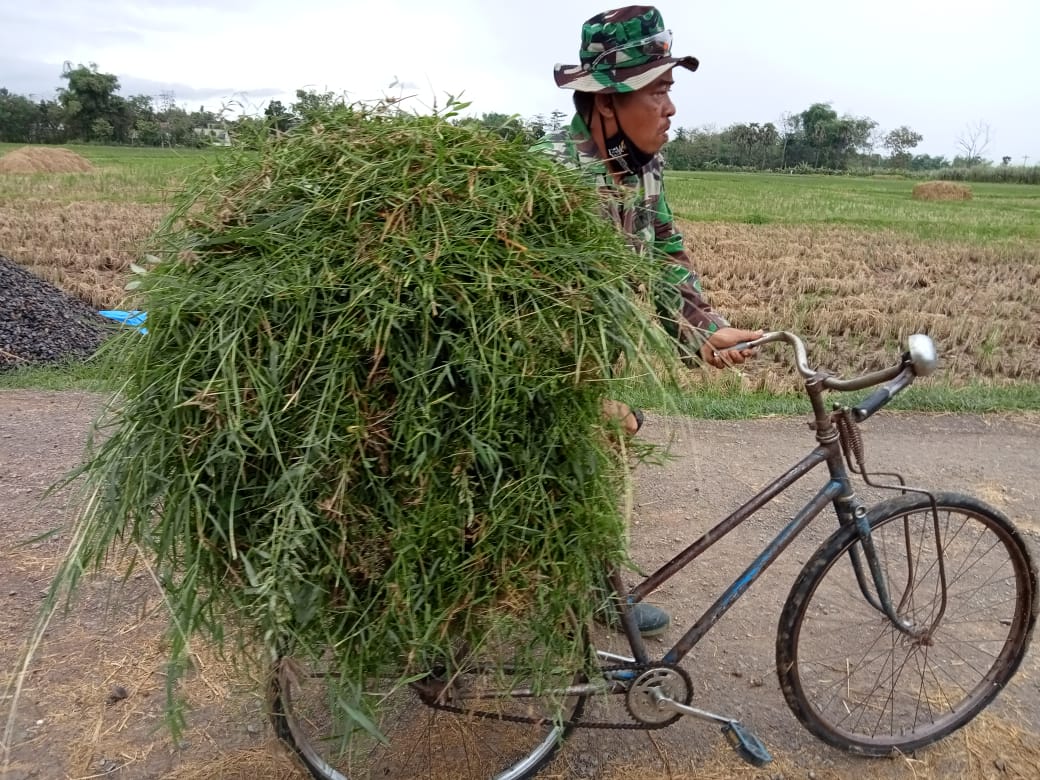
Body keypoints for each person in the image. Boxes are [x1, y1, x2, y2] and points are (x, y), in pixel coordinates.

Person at [535, 5, 762, 636]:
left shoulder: (639, 168)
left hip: (589, 365)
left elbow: (663, 252)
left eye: (670, 88)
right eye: (655, 90)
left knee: (603, 462)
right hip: (540, 376)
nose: (670, 107)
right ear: (605, 102)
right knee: (580, 463)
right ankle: (566, 593)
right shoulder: (553, 184)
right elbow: (520, 316)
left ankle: (586, 589)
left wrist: (702, 328)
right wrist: (578, 399)